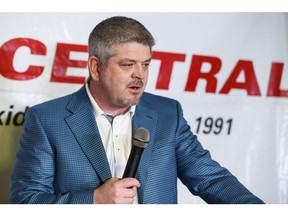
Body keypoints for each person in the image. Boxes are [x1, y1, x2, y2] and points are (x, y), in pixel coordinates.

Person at [10, 16, 264, 204]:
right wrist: (94, 200)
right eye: (128, 64)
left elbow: (210, 179)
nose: (139, 75)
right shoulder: (47, 120)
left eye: (145, 65)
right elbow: (26, 201)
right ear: (96, 68)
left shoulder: (168, 114)